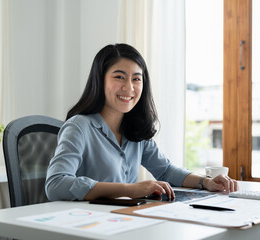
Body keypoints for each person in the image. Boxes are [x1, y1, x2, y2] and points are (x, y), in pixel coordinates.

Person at [45, 43, 238, 201]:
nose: (128, 87)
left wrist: (206, 182)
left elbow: (166, 170)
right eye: (119, 77)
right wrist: (129, 189)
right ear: (100, 80)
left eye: (136, 79)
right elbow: (56, 185)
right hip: (83, 226)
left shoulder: (134, 129)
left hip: (122, 220)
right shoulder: (79, 127)